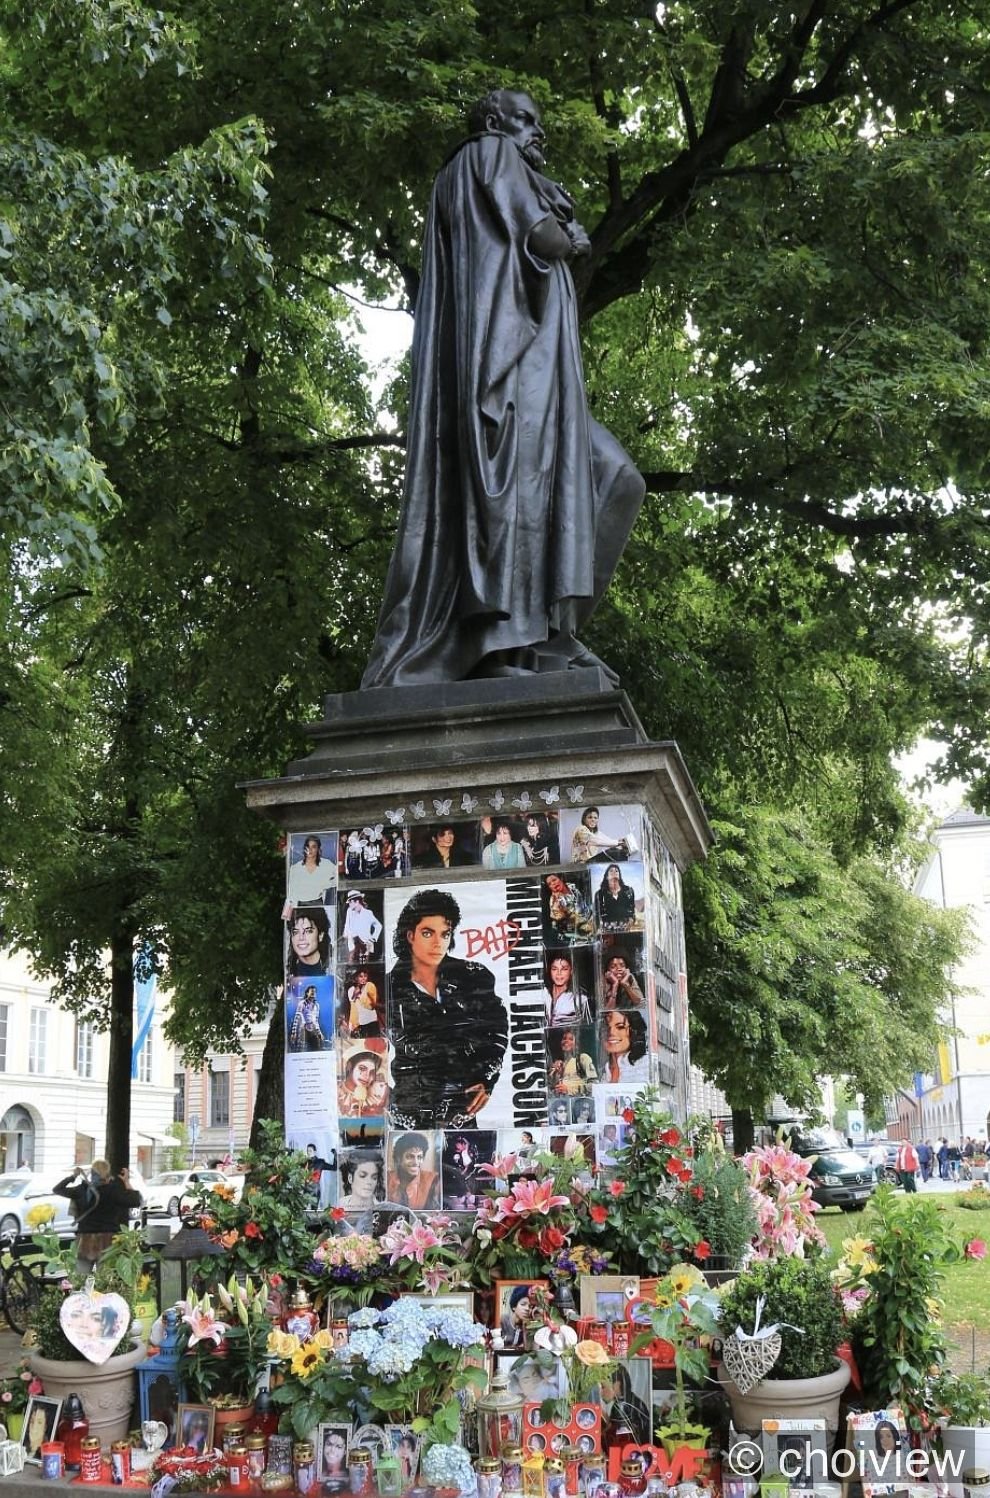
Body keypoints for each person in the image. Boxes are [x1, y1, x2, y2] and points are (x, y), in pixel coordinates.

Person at [361, 89, 644, 688]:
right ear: (495, 121)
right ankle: (503, 645)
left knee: (616, 477)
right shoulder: (489, 152)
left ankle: (552, 634)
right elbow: (541, 238)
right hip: (508, 371)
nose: (539, 132)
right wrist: (571, 237)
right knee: (515, 496)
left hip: (541, 377)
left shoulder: (496, 166)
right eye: (527, 120)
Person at [389, 888, 509, 1126]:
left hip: (461, 1113)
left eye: (445, 934)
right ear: (410, 935)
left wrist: (486, 1078)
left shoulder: (473, 977)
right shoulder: (388, 988)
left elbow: (496, 1030)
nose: (438, 943)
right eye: (427, 933)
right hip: (409, 1115)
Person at [54, 1160, 141, 1274]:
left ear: (92, 1172)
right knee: (105, 1279)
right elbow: (135, 1201)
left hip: (84, 1241)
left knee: (80, 1279)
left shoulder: (82, 1190)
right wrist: (126, 1182)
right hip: (108, 1241)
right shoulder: (113, 1190)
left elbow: (57, 1189)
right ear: (107, 1172)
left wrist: (73, 1177)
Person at [387, 1132, 440, 1210]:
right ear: (398, 1158)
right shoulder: (387, 1178)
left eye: (419, 1157)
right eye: (410, 1157)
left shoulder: (432, 1180)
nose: (415, 1162)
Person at [544, 952, 591, 1026]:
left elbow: (588, 1026)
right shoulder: (543, 993)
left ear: (571, 971)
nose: (559, 973)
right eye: (554, 969)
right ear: (549, 971)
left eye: (564, 969)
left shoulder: (580, 998)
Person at [544, 874, 594, 943]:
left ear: (561, 878)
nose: (553, 884)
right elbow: (560, 918)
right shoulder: (554, 901)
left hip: (589, 917)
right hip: (577, 932)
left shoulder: (572, 887)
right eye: (549, 884)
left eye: (554, 880)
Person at [603, 1009, 650, 1083]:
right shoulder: (606, 1067)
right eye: (607, 1027)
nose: (611, 1032)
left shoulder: (645, 1063)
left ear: (634, 1031)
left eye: (620, 1027)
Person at [287, 835, 335, 907]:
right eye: (308, 846)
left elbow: (336, 879)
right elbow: (291, 893)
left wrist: (326, 885)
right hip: (300, 905)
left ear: (318, 849)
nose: (310, 849)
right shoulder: (295, 868)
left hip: (318, 903)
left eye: (313, 847)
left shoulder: (327, 864)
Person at [548, 1028, 598, 1095]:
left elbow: (594, 1085)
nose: (566, 1041)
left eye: (571, 1039)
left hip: (578, 1100)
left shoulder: (582, 1058)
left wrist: (569, 1090)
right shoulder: (558, 1064)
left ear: (575, 1043)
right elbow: (550, 1089)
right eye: (564, 1038)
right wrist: (554, 1074)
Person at [286, 909, 333, 977]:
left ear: (320, 935)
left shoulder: (332, 966)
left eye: (308, 931)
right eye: (296, 932)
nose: (301, 937)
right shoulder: (289, 973)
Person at [337, 1051, 384, 1116]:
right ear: (349, 1066)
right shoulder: (335, 1093)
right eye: (362, 1069)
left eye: (372, 1072)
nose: (367, 1076)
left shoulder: (376, 1098)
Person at [342, 890, 383, 962]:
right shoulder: (349, 911)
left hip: (366, 946)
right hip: (353, 946)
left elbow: (379, 926)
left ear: (357, 902)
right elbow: (347, 925)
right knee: (352, 964)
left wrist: (373, 938)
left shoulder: (368, 913)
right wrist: (346, 934)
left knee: (365, 965)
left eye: (350, 902)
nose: (349, 904)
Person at [594, 865, 637, 930]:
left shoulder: (629, 891)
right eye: (611, 871)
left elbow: (632, 912)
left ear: (619, 876)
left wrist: (631, 920)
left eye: (616, 871)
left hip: (625, 930)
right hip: (607, 931)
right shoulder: (599, 894)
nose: (614, 872)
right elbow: (597, 916)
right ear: (606, 877)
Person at [289, 985, 327, 1051]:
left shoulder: (317, 1005)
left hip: (313, 1029)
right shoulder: (302, 1003)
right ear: (307, 993)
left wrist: (319, 1033)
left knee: (316, 1048)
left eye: (314, 992)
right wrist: (293, 1033)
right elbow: (296, 1019)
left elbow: (316, 1021)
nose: (313, 993)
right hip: (304, 1029)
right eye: (311, 991)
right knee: (302, 1049)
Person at [346, 969, 381, 1037]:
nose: (363, 978)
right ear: (356, 978)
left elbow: (371, 1004)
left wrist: (360, 995)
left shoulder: (370, 986)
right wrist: (355, 994)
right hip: (360, 1023)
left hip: (371, 1020)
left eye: (365, 976)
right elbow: (352, 1002)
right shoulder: (351, 989)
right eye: (361, 976)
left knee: (373, 1041)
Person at [500, 1284, 533, 1349]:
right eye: (523, 1304)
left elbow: (528, 1349)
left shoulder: (529, 1325)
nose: (527, 1309)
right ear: (514, 1306)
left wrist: (525, 1329)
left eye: (530, 1306)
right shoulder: (503, 1320)